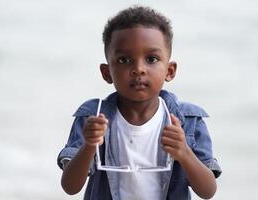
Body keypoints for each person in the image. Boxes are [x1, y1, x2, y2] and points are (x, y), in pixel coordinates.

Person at [57, 5, 221, 200]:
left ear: (170, 71)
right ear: (107, 72)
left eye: (151, 59)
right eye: (124, 60)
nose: (138, 69)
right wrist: (89, 145)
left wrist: (184, 152)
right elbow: (70, 186)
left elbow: (207, 191)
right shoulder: (92, 118)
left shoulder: (188, 121)